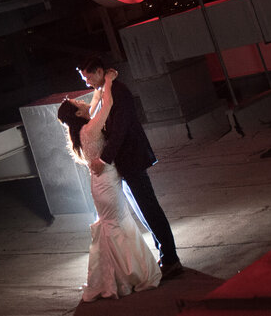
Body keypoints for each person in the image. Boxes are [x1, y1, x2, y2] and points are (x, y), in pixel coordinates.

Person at [58, 69, 161, 301]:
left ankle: (113, 277)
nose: (83, 101)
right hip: (108, 184)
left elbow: (96, 101)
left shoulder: (81, 133)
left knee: (111, 228)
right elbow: (107, 103)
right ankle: (130, 274)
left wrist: (99, 86)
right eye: (78, 102)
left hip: (101, 185)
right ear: (76, 111)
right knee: (118, 228)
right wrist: (108, 80)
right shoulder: (91, 128)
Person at [77, 54, 182, 279]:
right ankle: (165, 255)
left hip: (132, 157)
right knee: (143, 210)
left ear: (98, 72)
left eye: (88, 78)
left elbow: (120, 130)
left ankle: (171, 258)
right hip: (123, 163)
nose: (87, 83)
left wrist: (104, 159)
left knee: (149, 208)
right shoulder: (105, 90)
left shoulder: (119, 91)